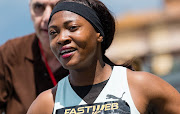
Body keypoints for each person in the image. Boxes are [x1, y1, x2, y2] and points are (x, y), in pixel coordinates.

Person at [27, 0, 180, 113]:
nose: (61, 38)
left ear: (98, 34)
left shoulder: (142, 86)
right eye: (54, 33)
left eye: (72, 28)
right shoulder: (46, 104)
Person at [0, 0, 69, 113]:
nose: (47, 17)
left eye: (57, 6)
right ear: (30, 9)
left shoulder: (91, 56)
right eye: (39, 6)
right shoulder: (9, 53)